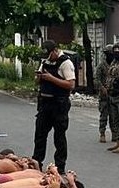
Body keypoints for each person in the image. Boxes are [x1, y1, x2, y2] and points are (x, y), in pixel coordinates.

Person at [31, 40, 75, 174]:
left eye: (50, 55)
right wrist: (39, 77)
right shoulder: (45, 62)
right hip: (45, 103)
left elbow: (70, 85)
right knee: (40, 135)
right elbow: (37, 80)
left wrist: (51, 78)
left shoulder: (65, 63)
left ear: (55, 50)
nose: (48, 58)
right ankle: (36, 163)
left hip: (59, 104)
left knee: (59, 137)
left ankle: (59, 167)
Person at [95, 44, 116, 143]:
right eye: (108, 54)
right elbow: (97, 79)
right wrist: (102, 88)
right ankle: (102, 133)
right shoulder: (101, 65)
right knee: (103, 115)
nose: (110, 56)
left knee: (114, 116)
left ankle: (114, 134)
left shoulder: (116, 65)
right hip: (104, 94)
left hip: (113, 94)